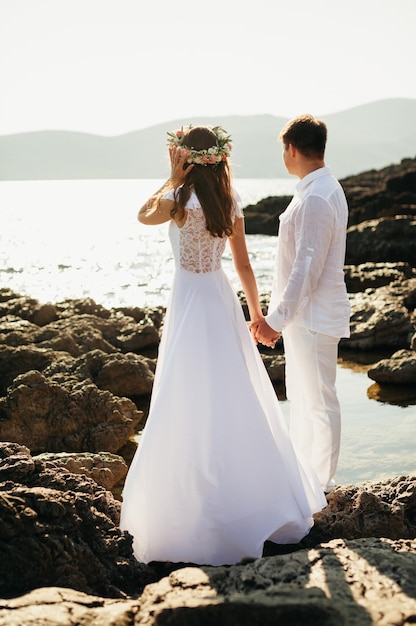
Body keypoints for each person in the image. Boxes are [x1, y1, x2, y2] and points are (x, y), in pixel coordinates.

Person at [120, 124, 326, 567]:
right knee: (236, 394)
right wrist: (256, 314)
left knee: (185, 395)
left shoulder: (176, 200)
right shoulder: (229, 201)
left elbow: (142, 215)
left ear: (184, 157)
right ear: (219, 158)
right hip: (219, 298)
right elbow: (244, 263)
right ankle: (253, 499)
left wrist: (173, 178)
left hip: (189, 301)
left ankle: (193, 510)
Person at [251, 114, 351, 495]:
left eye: (283, 149)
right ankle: (305, 477)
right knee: (305, 399)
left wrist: (274, 320)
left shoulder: (316, 197)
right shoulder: (321, 189)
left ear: (292, 149)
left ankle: (321, 484)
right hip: (307, 318)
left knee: (320, 402)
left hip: (312, 317)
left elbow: (305, 268)